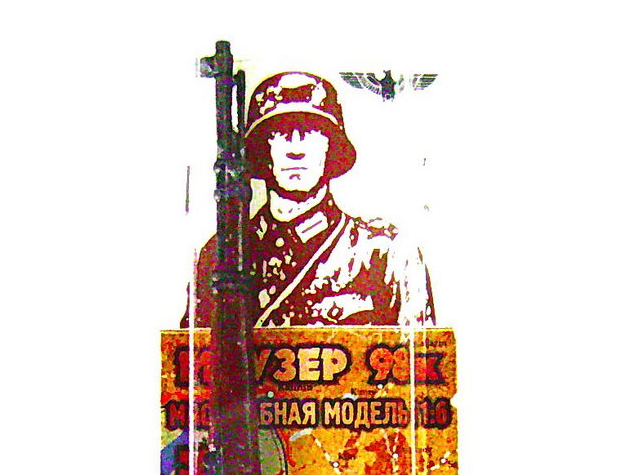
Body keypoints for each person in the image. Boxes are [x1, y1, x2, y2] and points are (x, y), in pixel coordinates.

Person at [185, 71, 436, 327]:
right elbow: (188, 348)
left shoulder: (386, 254)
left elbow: (427, 350)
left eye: (312, 131)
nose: (296, 149)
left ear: (331, 147)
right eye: (280, 133)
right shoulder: (222, 256)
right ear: (262, 149)